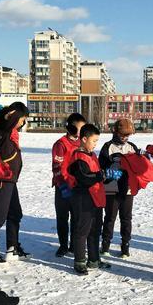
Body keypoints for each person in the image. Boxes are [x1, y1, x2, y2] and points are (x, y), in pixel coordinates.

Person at [67, 124, 119, 275]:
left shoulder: (92, 156)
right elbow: (84, 178)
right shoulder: (78, 156)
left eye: (97, 141)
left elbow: (97, 176)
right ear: (84, 139)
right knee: (82, 230)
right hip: (84, 198)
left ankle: (94, 259)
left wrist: (111, 176)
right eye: (94, 141)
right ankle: (79, 261)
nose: (96, 144)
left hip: (96, 198)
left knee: (95, 230)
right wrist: (102, 175)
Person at [0, 102, 31, 265]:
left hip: (11, 180)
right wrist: (3, 116)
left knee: (15, 213)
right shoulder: (2, 130)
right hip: (1, 180)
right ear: (14, 116)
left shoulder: (11, 131)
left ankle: (12, 248)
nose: (22, 123)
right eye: (21, 119)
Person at [98, 118, 140, 258]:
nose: (124, 137)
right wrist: (114, 172)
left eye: (127, 135)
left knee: (126, 218)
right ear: (115, 132)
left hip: (128, 189)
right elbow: (101, 168)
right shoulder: (108, 147)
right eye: (122, 134)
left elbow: (139, 167)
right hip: (111, 188)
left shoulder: (132, 147)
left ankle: (125, 246)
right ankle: (105, 245)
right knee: (110, 217)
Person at [52, 112, 87, 257]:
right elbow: (56, 166)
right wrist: (62, 185)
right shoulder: (61, 144)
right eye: (80, 128)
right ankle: (63, 245)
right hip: (63, 188)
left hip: (78, 187)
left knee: (77, 218)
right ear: (71, 128)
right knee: (62, 218)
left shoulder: (82, 143)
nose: (81, 132)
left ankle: (74, 245)